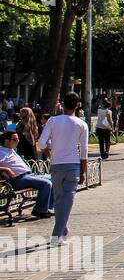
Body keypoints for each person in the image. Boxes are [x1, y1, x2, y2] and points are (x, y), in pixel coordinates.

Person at [37, 92, 89, 245]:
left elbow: (41, 143)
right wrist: (83, 171)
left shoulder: (53, 121)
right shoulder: (81, 124)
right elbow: (84, 151)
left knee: (60, 200)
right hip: (73, 165)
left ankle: (62, 227)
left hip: (56, 164)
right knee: (67, 200)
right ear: (78, 105)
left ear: (62, 104)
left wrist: (50, 153)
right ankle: (56, 236)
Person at [0, 127, 53, 218]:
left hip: (28, 175)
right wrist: (6, 170)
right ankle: (39, 210)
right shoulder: (1, 151)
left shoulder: (11, 150)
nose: (17, 141)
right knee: (46, 184)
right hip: (17, 179)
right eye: (15, 140)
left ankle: (46, 207)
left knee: (54, 179)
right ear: (6, 141)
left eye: (18, 139)